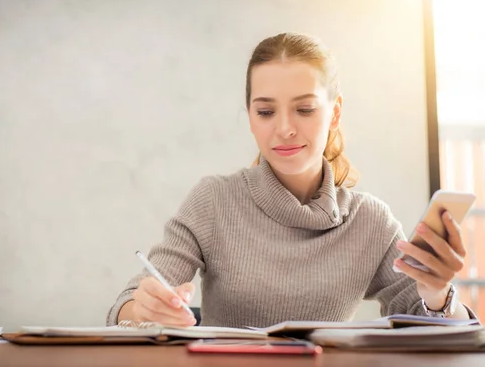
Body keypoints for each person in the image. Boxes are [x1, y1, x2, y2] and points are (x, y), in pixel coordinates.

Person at [106, 32, 474, 329]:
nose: (284, 128)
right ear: (250, 117)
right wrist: (144, 310)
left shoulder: (370, 221)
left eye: (304, 109)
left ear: (335, 113)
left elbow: (440, 331)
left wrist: (438, 294)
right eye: (265, 111)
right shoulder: (214, 200)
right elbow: (123, 309)